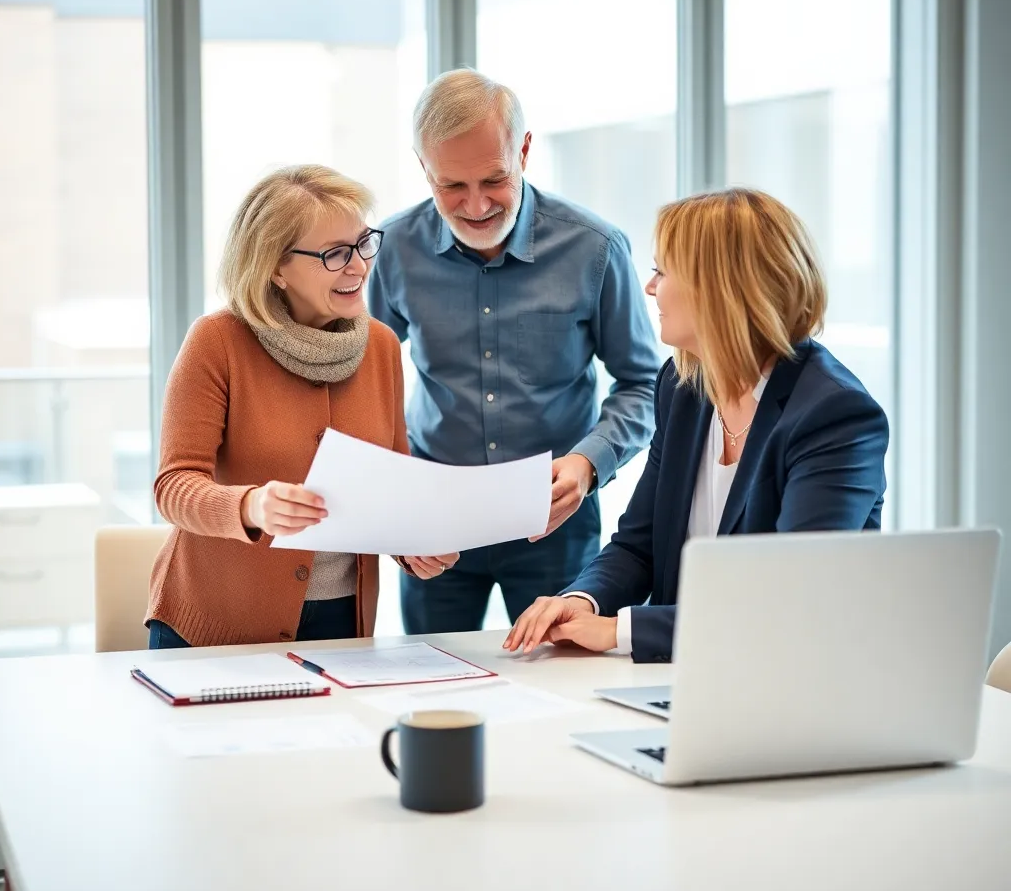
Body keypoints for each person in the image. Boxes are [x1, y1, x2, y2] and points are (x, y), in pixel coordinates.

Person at [504, 187, 889, 662]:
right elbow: (639, 544)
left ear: (719, 287)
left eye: (662, 271)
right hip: (686, 677)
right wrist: (580, 602)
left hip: (792, 683)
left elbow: (790, 601)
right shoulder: (683, 385)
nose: (649, 288)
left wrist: (615, 631)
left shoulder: (835, 415)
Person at [367, 68, 662, 634]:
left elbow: (645, 383)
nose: (475, 205)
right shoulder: (394, 248)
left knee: (565, 673)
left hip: (557, 517)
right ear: (423, 166)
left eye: (494, 180)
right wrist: (393, 501)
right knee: (431, 679)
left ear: (523, 150)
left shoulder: (594, 248)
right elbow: (357, 379)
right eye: (451, 185)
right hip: (434, 520)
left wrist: (589, 463)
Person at [146, 165, 457, 649]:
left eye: (362, 244)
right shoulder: (217, 341)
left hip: (342, 623)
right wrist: (250, 506)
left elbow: (392, 484)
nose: (358, 266)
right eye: (334, 254)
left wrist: (411, 544)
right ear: (274, 266)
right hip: (216, 626)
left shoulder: (380, 346)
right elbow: (173, 487)